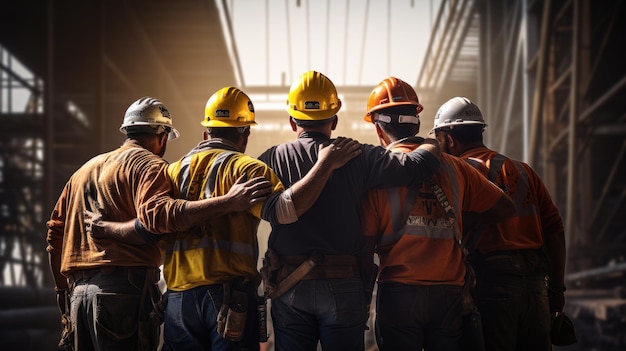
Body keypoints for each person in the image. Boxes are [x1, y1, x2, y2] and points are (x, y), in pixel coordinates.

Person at [86, 87, 362, 351]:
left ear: (206, 133)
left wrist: (105, 228)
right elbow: (285, 212)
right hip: (229, 300)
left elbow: (151, 225)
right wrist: (324, 164)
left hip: (178, 301)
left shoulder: (169, 172)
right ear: (244, 135)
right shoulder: (248, 168)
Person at [46, 96, 274, 351]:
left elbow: (55, 235)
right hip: (123, 293)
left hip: (78, 297)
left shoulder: (82, 172)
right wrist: (229, 202)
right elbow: (158, 218)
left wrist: (62, 292)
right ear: (162, 136)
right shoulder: (149, 165)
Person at [257, 70, 441, 351]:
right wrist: (433, 142)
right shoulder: (359, 155)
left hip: (288, 283)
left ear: (292, 121)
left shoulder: (270, 159)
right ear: (335, 119)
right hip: (343, 283)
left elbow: (262, 208)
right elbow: (416, 168)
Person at [359, 77, 516, 351]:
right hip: (449, 293)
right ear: (417, 123)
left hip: (400, 291)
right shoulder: (455, 167)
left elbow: (364, 244)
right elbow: (505, 208)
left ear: (378, 129)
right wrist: (462, 227)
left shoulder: (376, 175)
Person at [431, 96, 567, 350]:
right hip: (536, 286)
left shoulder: (458, 173)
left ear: (449, 139)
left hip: (492, 284)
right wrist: (557, 289)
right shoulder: (525, 171)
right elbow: (555, 231)